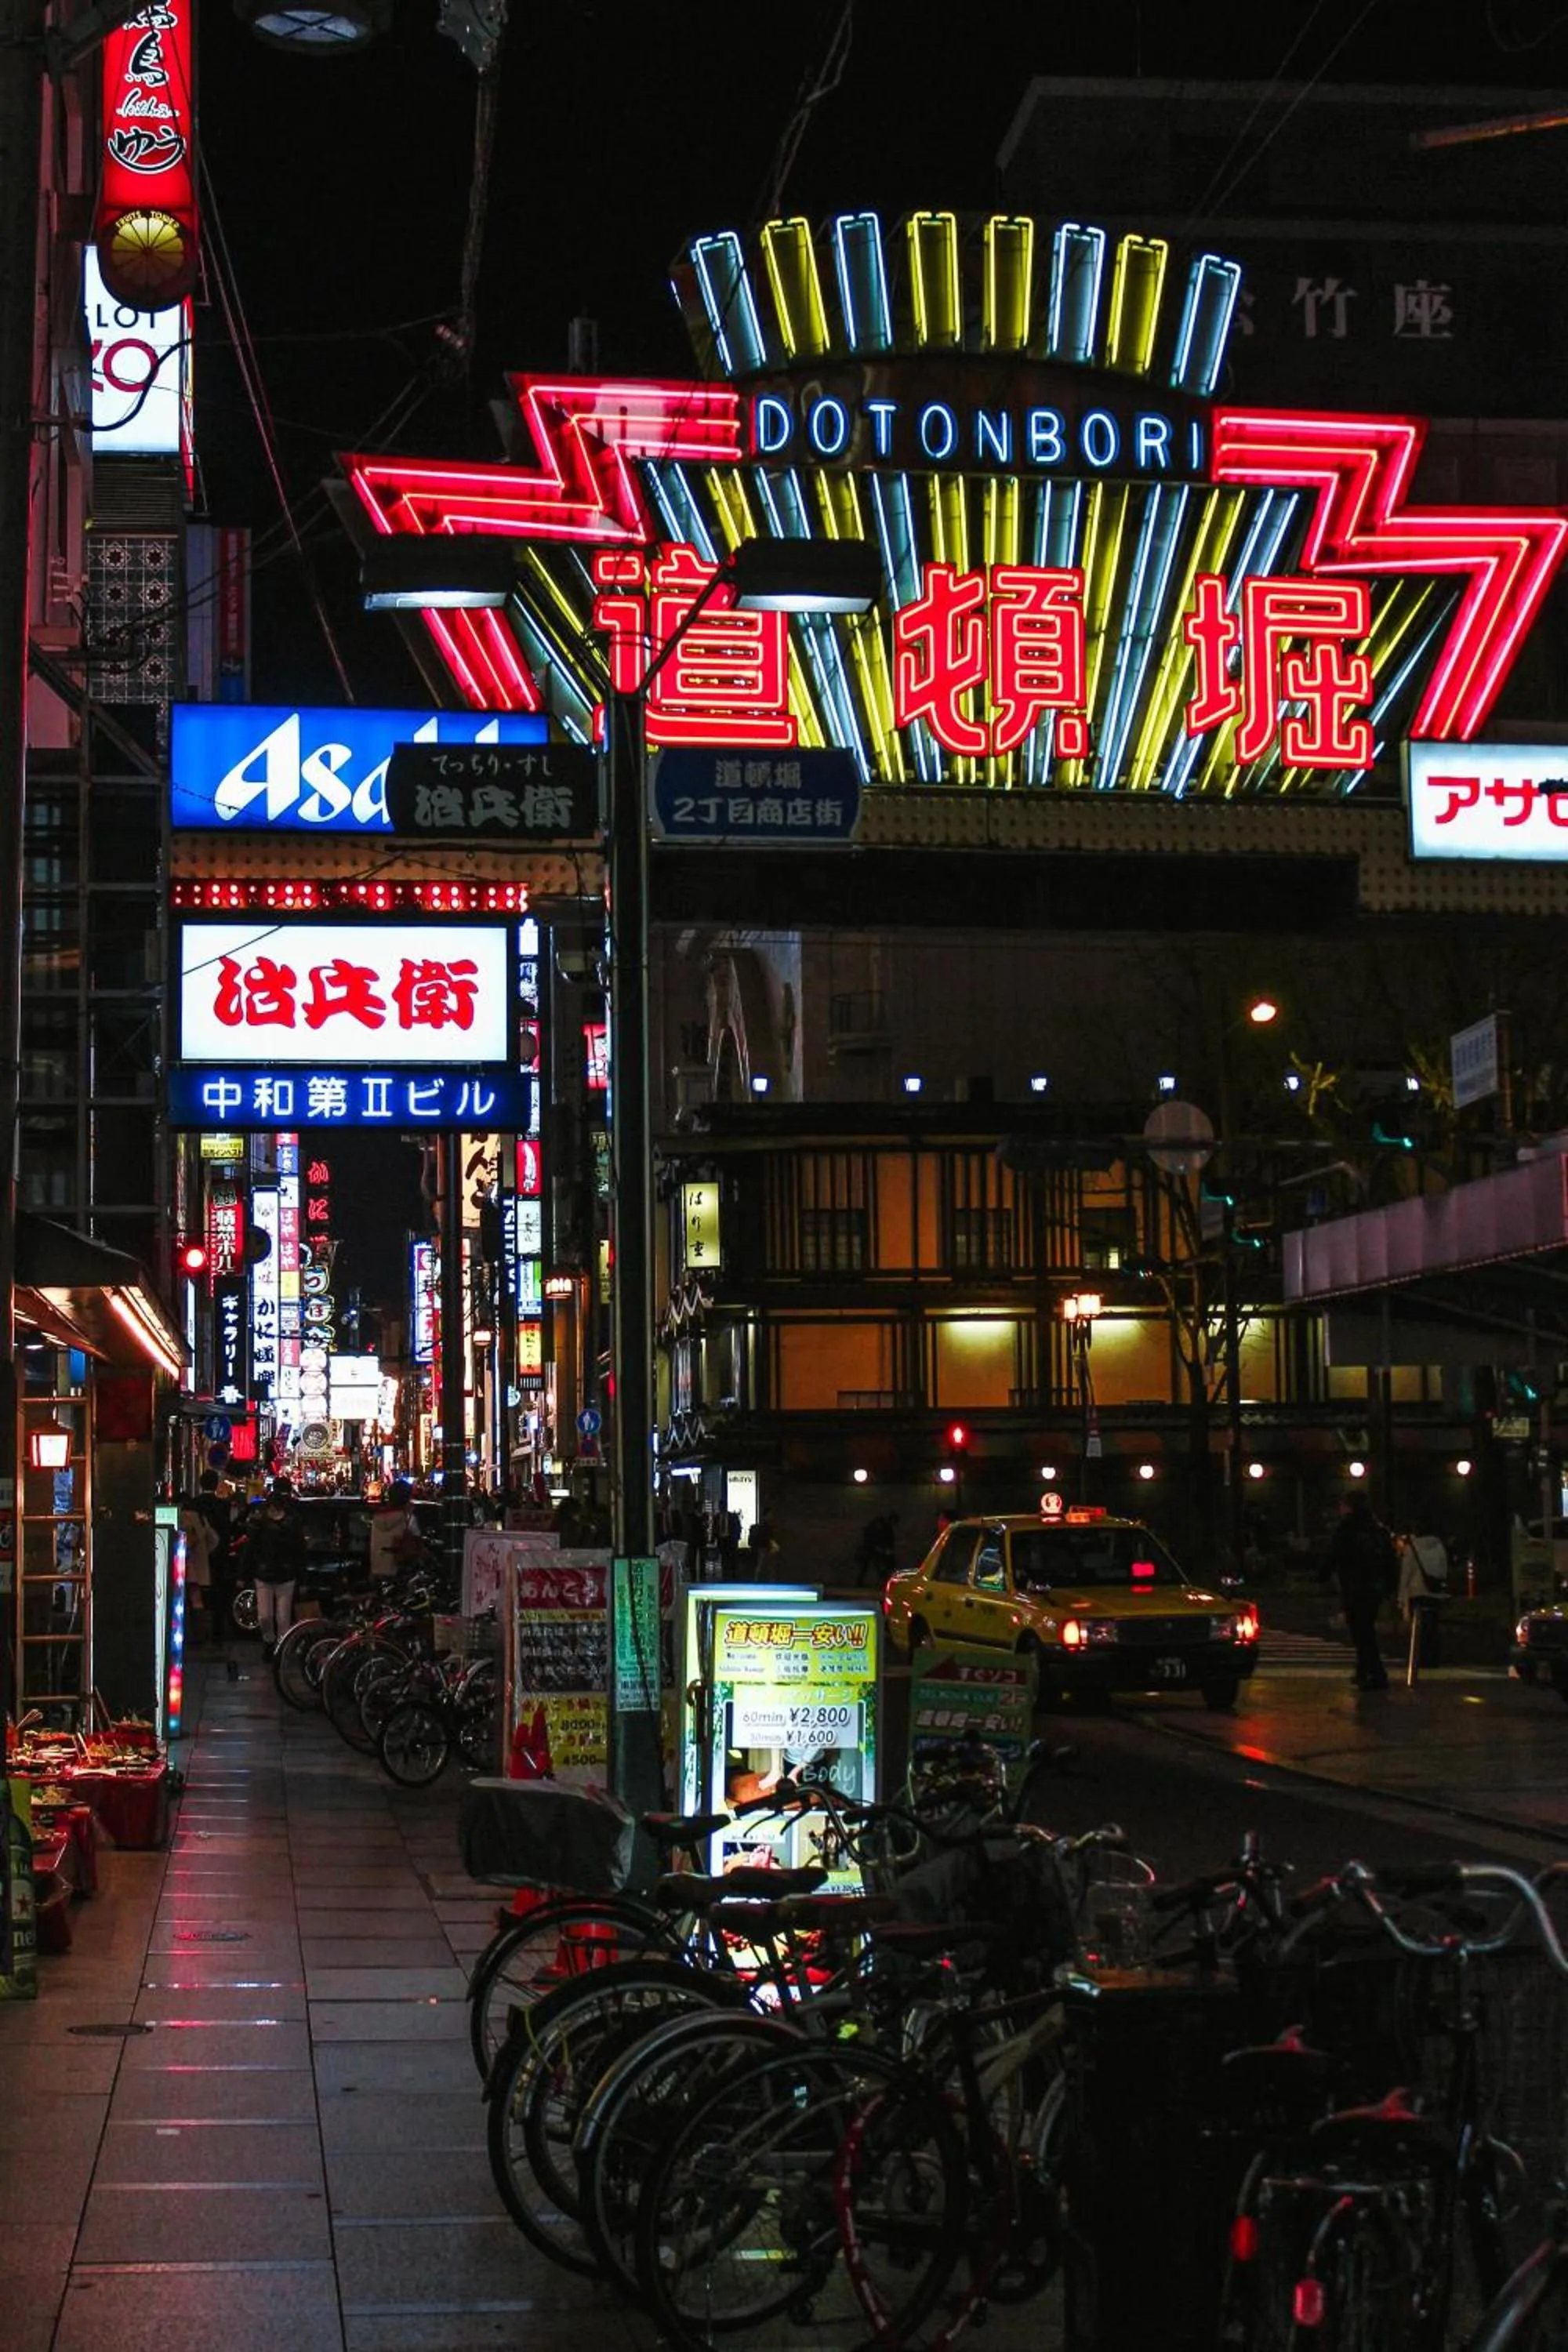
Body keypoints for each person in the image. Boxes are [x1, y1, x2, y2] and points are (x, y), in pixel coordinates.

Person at [1324, 1494, 1399, 1692]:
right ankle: (1364, 1670)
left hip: (1354, 1586)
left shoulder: (1347, 1530)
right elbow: (1390, 1561)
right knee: (1366, 1629)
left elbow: (1333, 1555)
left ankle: (1376, 1673)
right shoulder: (1377, 1530)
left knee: (1361, 1632)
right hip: (1374, 1587)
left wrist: (1321, 1575)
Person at [246, 1476, 306, 1656]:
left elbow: (299, 1550)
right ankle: (270, 1642)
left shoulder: (292, 1521)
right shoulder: (262, 1521)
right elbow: (252, 1547)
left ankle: (280, 1648)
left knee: (282, 1617)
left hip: (285, 1574)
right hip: (265, 1573)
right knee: (265, 1616)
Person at [188, 1468, 234, 1642]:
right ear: (216, 1485)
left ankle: (197, 1632)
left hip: (197, 1556)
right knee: (219, 1595)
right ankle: (217, 1632)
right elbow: (227, 1530)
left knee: (196, 1594)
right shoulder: (223, 1505)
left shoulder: (193, 1504)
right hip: (219, 1556)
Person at [369, 1477, 425, 1587]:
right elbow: (417, 1543)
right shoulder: (408, 1518)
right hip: (399, 1572)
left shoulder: (377, 1517)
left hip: (377, 1569)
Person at [177, 1490, 215, 1645]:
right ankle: (202, 1636)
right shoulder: (201, 1517)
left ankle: (188, 1635)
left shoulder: (183, 1516)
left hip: (184, 1564)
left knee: (181, 1600)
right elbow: (214, 1539)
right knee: (197, 1600)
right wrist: (205, 1552)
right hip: (199, 1565)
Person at [854, 1511, 898, 1588]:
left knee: (877, 1567)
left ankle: (861, 1582)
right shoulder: (883, 1527)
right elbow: (878, 1538)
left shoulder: (885, 1527)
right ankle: (885, 1583)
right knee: (876, 1567)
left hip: (875, 1549)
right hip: (874, 1549)